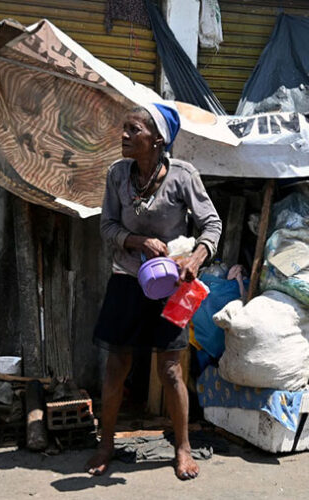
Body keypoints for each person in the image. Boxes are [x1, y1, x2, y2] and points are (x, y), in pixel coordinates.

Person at [86, 102, 222, 480]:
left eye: (134, 130)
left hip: (174, 287)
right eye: (124, 129)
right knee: (117, 366)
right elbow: (107, 227)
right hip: (127, 280)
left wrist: (195, 258)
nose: (124, 136)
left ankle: (182, 448)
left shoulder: (183, 176)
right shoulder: (118, 175)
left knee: (171, 370)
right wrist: (137, 240)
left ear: (158, 139)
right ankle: (106, 443)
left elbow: (212, 224)